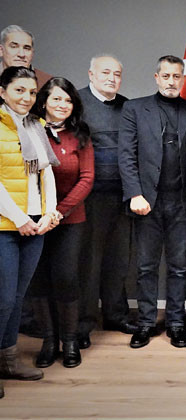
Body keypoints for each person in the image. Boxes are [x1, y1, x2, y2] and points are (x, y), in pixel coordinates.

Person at [118, 55, 186, 349]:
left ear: (183, 79)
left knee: (179, 267)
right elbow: (126, 155)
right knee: (146, 266)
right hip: (147, 202)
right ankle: (145, 322)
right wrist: (134, 194)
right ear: (156, 77)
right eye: (166, 76)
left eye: (176, 76)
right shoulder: (134, 109)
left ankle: (176, 323)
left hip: (182, 203)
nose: (171, 81)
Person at [0, 66, 60, 399]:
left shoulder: (36, 125)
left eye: (32, 92)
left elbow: (46, 174)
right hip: (6, 226)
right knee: (3, 299)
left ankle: (8, 360)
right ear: (3, 92)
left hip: (35, 224)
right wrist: (19, 217)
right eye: (19, 90)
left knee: (17, 297)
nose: (27, 97)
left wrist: (50, 212)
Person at [27, 78, 93, 369]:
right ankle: (49, 341)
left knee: (66, 278)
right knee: (38, 279)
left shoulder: (80, 134)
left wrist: (58, 213)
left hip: (69, 219)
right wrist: (41, 215)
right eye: (56, 99)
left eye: (68, 100)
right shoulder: (29, 130)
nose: (63, 105)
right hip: (32, 221)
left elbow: (87, 178)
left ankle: (69, 341)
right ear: (43, 102)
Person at [77, 54, 135, 350]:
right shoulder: (76, 103)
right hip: (89, 198)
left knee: (118, 260)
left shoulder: (128, 107)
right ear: (91, 74)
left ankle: (115, 315)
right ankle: (83, 324)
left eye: (117, 74)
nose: (112, 78)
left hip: (122, 196)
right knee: (89, 263)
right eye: (105, 72)